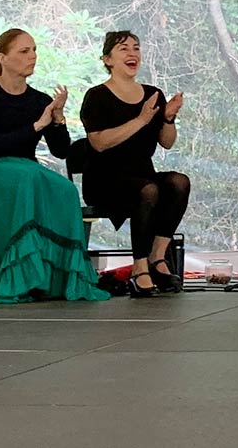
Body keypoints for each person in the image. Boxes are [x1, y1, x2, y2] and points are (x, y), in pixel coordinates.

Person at [0, 29, 108, 302]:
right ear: (3, 58)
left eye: (34, 50)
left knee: (64, 190)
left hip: (22, 170)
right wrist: (36, 126)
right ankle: (11, 277)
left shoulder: (39, 100)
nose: (32, 56)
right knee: (24, 178)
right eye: (24, 51)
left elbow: (60, 151)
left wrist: (57, 119)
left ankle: (51, 279)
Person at [80, 31, 191, 298]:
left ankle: (157, 256)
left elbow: (167, 142)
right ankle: (138, 268)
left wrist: (168, 119)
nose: (132, 54)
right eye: (123, 49)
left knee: (179, 182)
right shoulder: (96, 96)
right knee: (149, 190)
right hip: (105, 179)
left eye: (136, 48)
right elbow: (100, 143)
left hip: (143, 174)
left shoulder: (153, 94)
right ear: (108, 59)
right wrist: (140, 120)